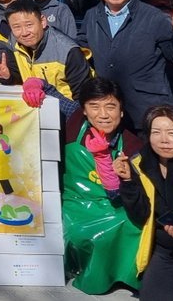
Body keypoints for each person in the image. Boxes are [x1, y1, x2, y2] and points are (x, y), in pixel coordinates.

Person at [82, 0, 173, 131]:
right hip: (109, 112)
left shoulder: (153, 16)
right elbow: (80, 48)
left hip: (148, 112)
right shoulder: (91, 16)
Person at [62, 78, 144, 294]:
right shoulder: (75, 122)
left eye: (111, 107)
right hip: (75, 202)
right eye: (94, 107)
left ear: (122, 111)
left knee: (134, 225)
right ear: (84, 111)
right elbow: (48, 91)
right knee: (80, 233)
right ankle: (88, 274)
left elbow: (125, 196)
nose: (103, 114)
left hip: (113, 205)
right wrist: (34, 85)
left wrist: (125, 178)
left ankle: (121, 276)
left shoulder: (133, 145)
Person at [117, 106, 173, 300]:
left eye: (172, 133)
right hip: (168, 250)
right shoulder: (139, 164)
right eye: (156, 132)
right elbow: (140, 214)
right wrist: (127, 181)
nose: (164, 140)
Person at [0, 0, 91, 119]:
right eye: (16, 27)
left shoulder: (68, 51)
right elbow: (19, 78)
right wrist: (8, 76)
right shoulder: (13, 42)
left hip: (66, 114)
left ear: (42, 21)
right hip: (33, 111)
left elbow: (84, 96)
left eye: (29, 25)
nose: (24, 32)